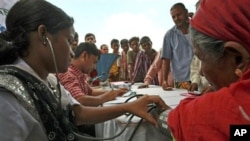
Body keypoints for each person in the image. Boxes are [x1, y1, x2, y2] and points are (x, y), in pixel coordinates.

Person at [0, 0, 168, 140]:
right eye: (69, 40)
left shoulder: (49, 80)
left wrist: (129, 107)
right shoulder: (6, 98)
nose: (73, 51)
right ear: (44, 35)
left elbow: (78, 113)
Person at [161, 0, 250, 140]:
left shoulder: (228, 111)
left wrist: (159, 113)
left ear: (237, 59)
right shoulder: (169, 35)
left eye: (203, 59)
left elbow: (181, 121)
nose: (202, 71)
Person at [161, 3, 193, 90]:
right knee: (185, 102)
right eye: (173, 17)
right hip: (182, 81)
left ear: (186, 12)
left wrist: (196, 20)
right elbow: (166, 60)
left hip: (201, 78)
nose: (176, 18)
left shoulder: (198, 28)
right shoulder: (169, 35)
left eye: (179, 14)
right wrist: (164, 80)